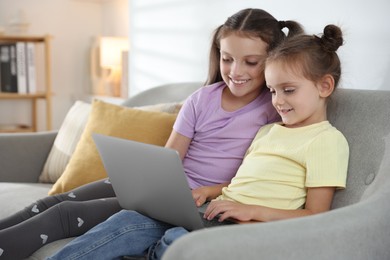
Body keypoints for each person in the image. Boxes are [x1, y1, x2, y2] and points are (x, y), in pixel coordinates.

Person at [0, 8, 303, 260]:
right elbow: (170, 156)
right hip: (160, 191)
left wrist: (206, 192)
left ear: (273, 59)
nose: (236, 71)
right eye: (227, 58)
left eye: (250, 62)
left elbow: (260, 175)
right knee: (54, 201)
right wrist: (144, 181)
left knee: (64, 215)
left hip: (192, 204)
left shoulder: (274, 107)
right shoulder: (203, 98)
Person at [47, 24, 349, 260]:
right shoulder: (270, 131)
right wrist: (209, 191)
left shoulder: (326, 141)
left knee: (174, 239)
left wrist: (253, 210)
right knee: (129, 219)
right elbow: (244, 182)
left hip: (247, 229)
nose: (278, 102)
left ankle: (161, 248)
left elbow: (317, 217)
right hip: (214, 214)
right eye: (272, 91)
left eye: (288, 90)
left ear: (324, 85)